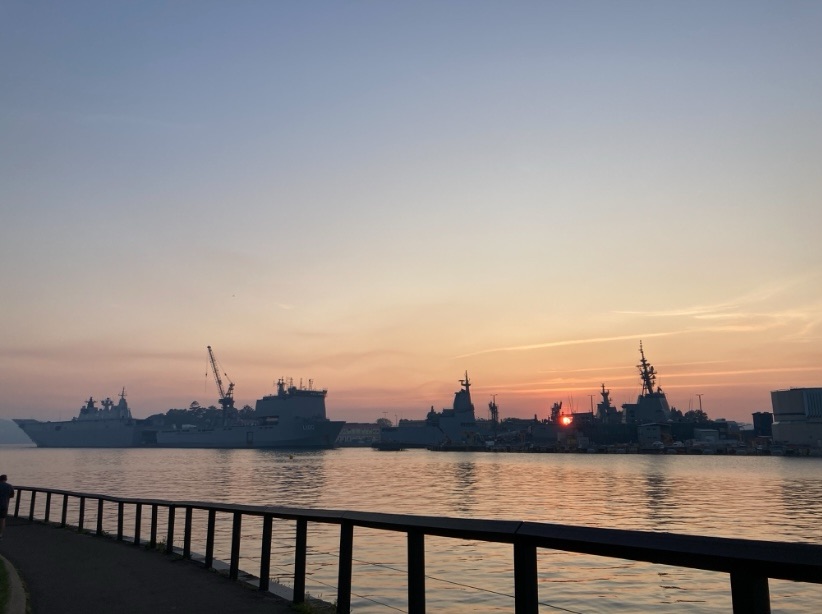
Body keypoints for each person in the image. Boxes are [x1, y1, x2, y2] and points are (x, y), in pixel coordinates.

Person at [0, 474, 14, 539]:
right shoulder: (10, 486)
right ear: (6, 479)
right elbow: (12, 495)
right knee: (2, 520)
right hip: (4, 505)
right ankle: (0, 534)